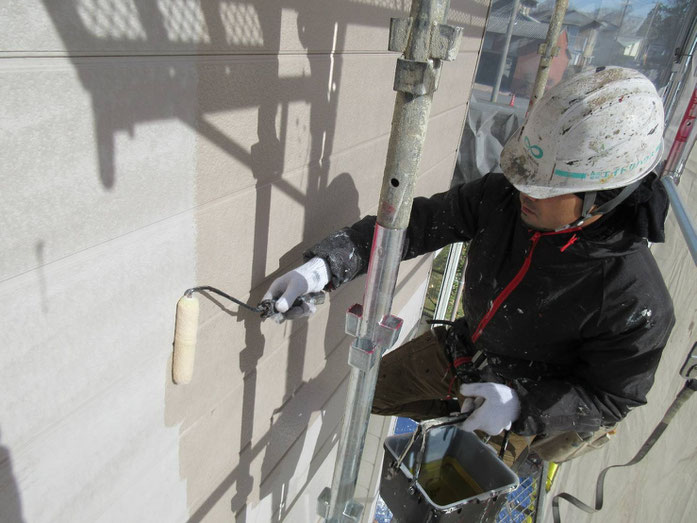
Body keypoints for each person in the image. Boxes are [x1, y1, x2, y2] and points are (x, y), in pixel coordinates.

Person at [263, 67, 675, 464]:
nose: (522, 191)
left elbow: (611, 397)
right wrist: (323, 268)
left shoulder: (634, 301)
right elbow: (415, 226)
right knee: (367, 394)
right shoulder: (504, 199)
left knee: (447, 489)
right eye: (524, 176)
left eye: (542, 187)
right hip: (460, 351)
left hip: (519, 401)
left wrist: (519, 405)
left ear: (602, 197)